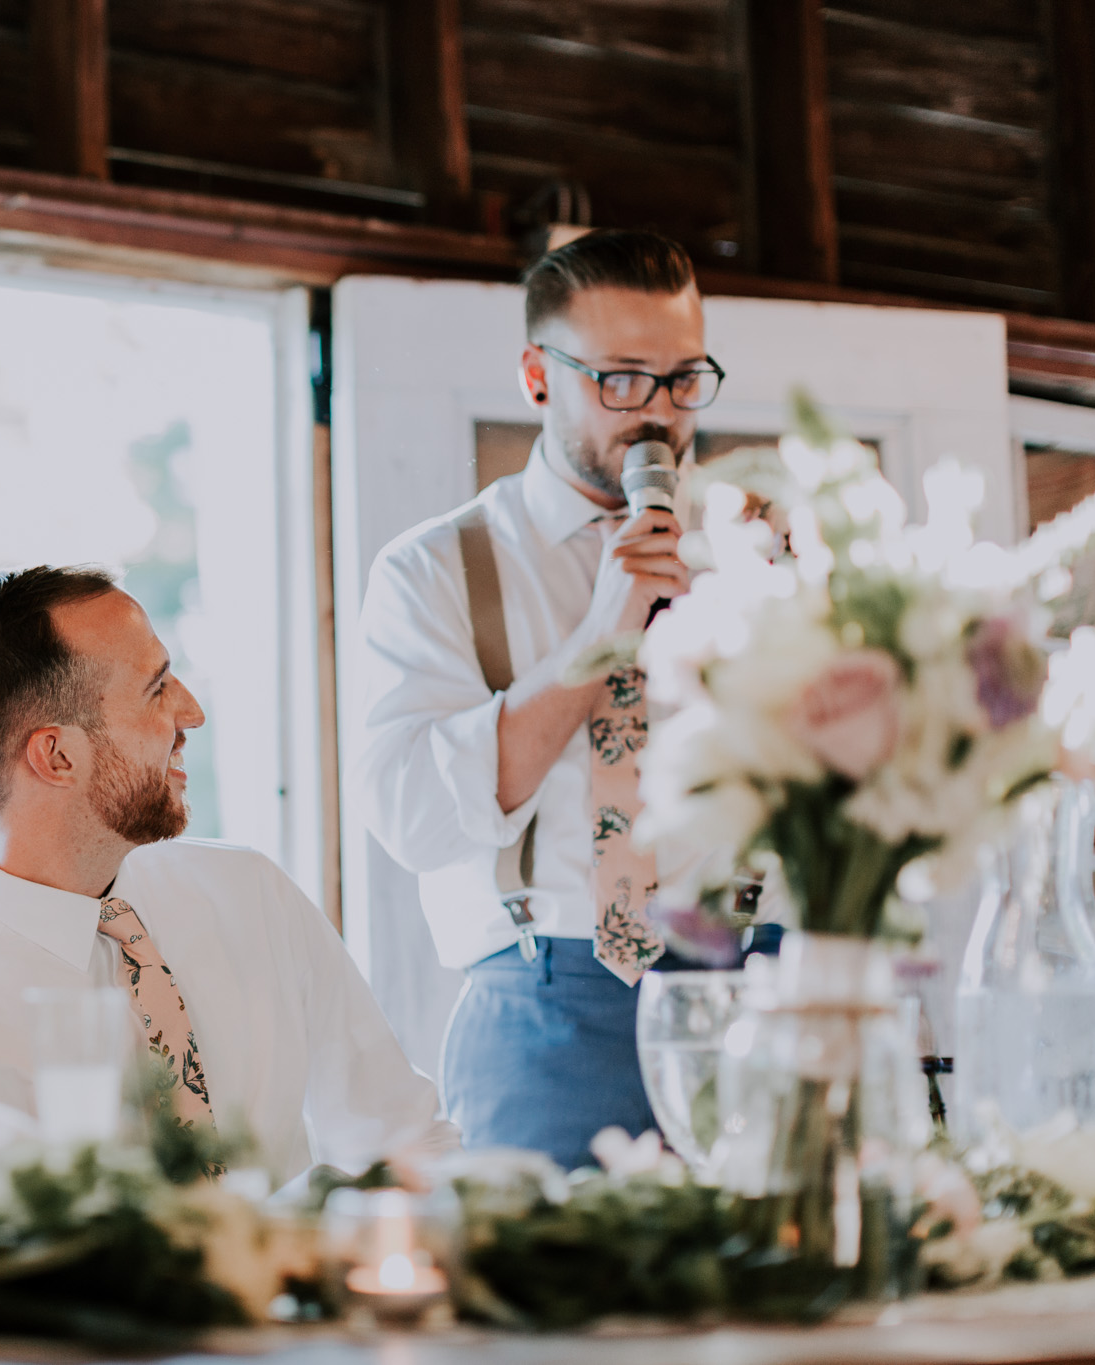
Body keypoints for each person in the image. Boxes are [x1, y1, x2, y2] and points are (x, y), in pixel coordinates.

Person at [0, 564, 454, 1182]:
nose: (192, 712)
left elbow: (405, 1141)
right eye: (156, 688)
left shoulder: (248, 891)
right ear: (56, 756)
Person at [354, 229, 720, 1169]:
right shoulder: (433, 569)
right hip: (546, 1001)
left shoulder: (752, 554)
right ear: (536, 376)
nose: (660, 416)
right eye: (622, 379)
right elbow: (416, 820)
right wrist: (604, 630)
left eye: (683, 380)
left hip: (743, 986)